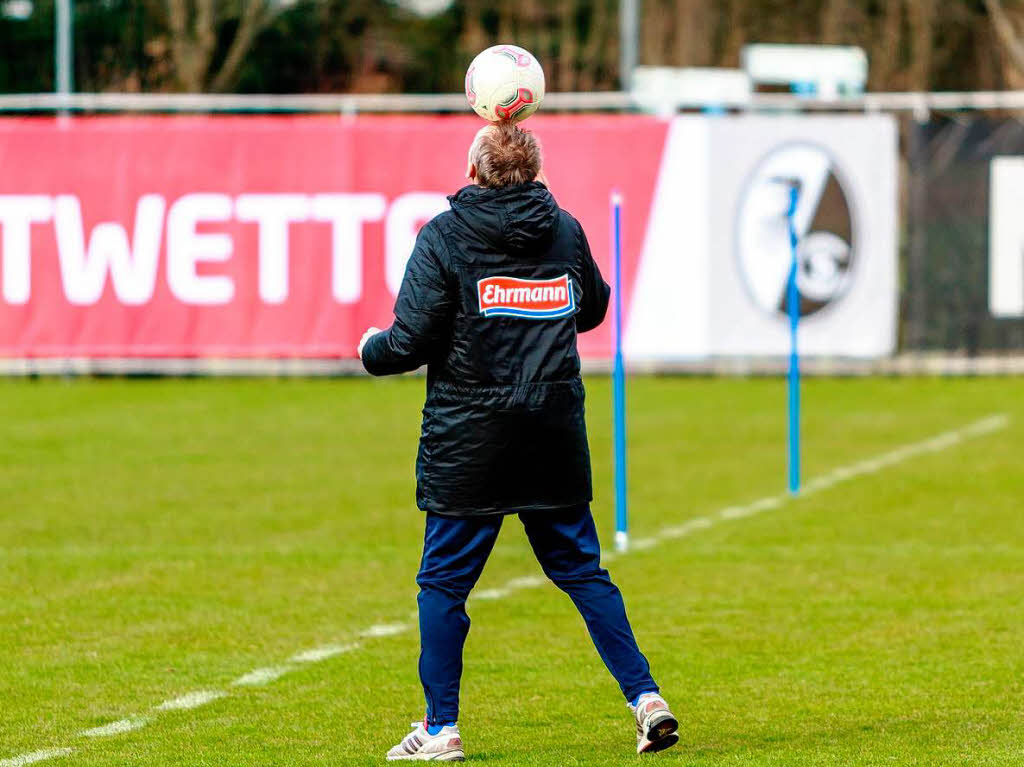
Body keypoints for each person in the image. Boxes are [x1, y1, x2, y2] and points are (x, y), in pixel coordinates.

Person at [358, 121, 678, 762]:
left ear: (474, 171)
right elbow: (590, 309)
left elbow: (407, 342)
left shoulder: (445, 236)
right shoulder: (563, 228)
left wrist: (370, 349)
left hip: (470, 444)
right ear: (533, 172)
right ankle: (645, 698)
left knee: (443, 586)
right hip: (551, 435)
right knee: (584, 575)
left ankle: (440, 727)